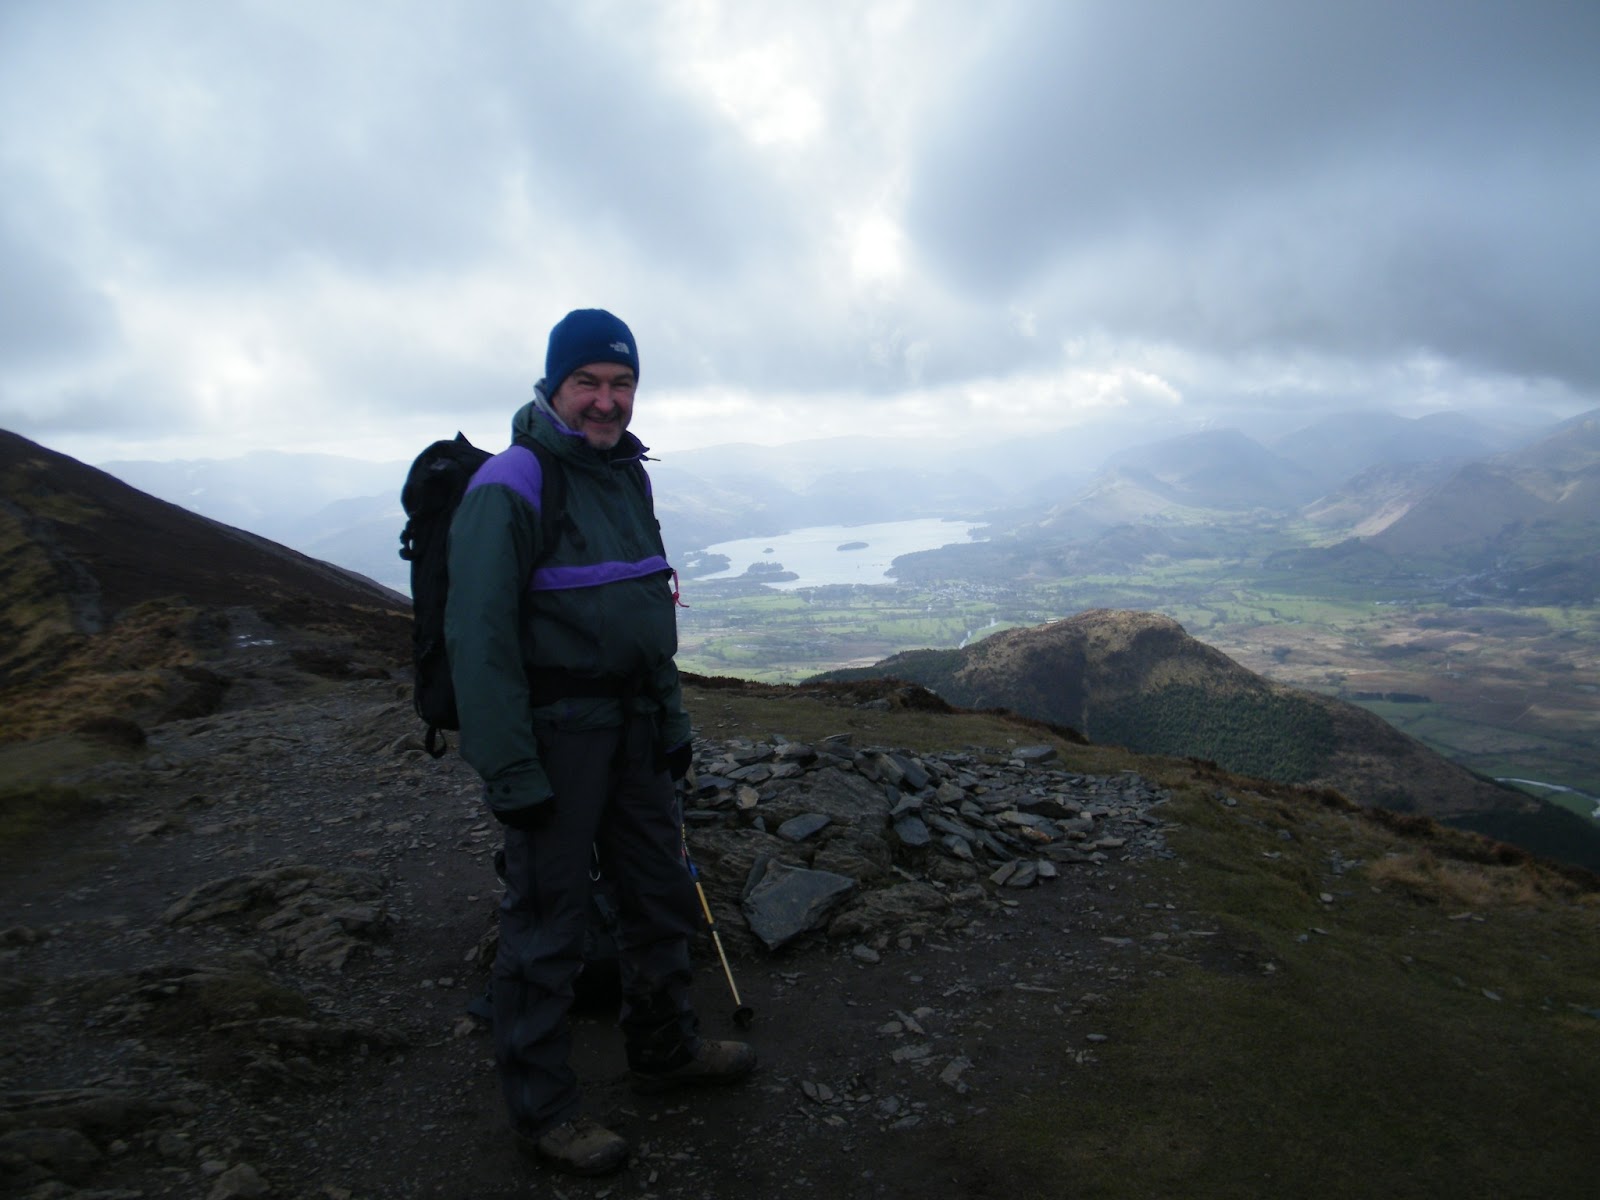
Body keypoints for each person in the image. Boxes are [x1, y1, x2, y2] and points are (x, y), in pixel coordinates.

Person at [444, 308, 754, 1177]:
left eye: (621, 385)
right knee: (547, 925)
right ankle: (544, 1111)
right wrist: (510, 767)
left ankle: (665, 1051)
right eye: (589, 382)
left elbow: (650, 614)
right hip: (554, 738)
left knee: (659, 895)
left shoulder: (627, 476)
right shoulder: (512, 483)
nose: (606, 400)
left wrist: (676, 726)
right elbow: (481, 639)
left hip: (636, 732)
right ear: (554, 385)